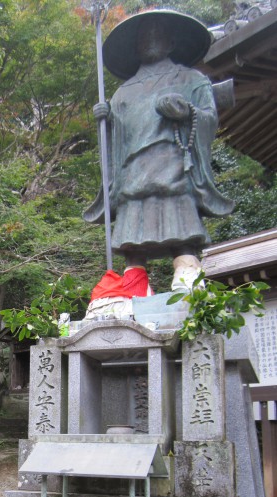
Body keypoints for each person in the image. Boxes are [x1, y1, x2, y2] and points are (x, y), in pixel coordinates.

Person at [84, 10, 233, 289]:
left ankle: (187, 271)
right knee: (132, 244)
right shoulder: (122, 93)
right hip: (132, 175)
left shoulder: (191, 79)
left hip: (175, 169)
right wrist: (105, 123)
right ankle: (134, 284)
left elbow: (209, 117)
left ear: (172, 42)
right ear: (136, 46)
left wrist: (186, 112)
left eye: (158, 33)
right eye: (144, 36)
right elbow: (115, 144)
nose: (150, 40)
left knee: (182, 235)